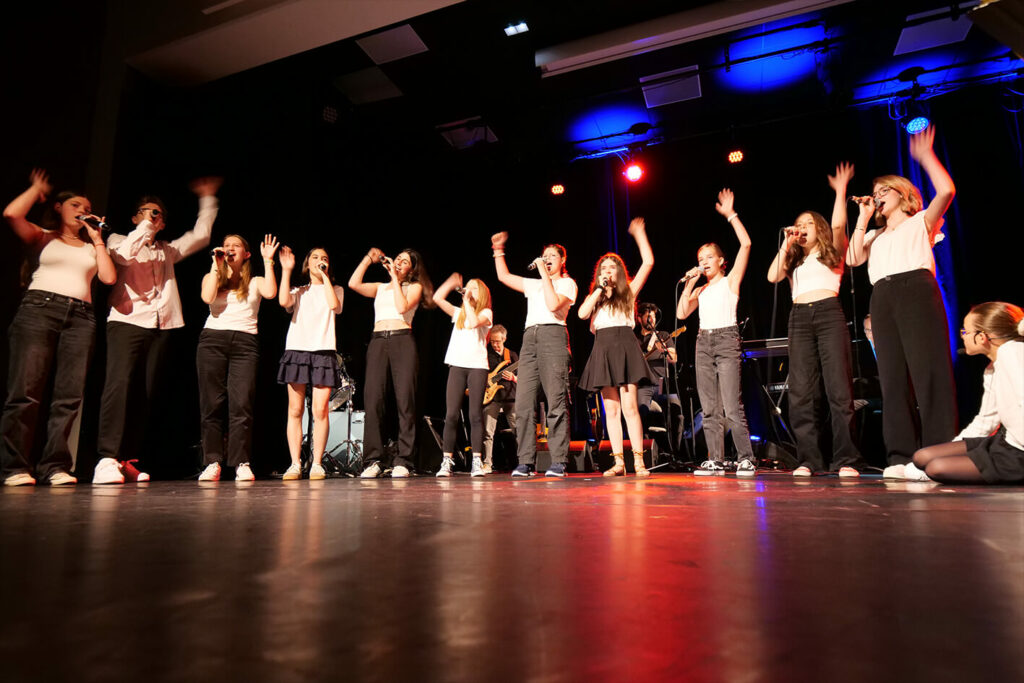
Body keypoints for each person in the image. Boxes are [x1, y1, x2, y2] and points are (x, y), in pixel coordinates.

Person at [93, 177, 222, 484]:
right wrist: (147, 226)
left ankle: (127, 460)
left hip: (160, 326)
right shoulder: (117, 241)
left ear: (163, 224)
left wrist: (207, 199)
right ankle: (106, 458)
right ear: (135, 218)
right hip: (126, 322)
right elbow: (125, 255)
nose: (152, 217)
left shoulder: (167, 250)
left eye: (157, 214)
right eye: (146, 212)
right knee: (119, 388)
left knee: (144, 393)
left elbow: (201, 235)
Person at [846, 126, 957, 479]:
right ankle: (900, 457)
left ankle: (937, 455)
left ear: (903, 193)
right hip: (883, 295)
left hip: (916, 289)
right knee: (892, 378)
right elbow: (851, 258)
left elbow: (947, 190)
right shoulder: (875, 235)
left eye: (884, 191)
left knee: (929, 372)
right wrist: (862, 219)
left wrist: (926, 157)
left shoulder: (921, 222)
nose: (877, 196)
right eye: (874, 192)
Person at [2, 168, 116, 486]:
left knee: (68, 396)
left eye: (87, 208)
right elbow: (11, 213)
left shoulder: (92, 246)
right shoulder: (43, 236)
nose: (83, 211)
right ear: (59, 208)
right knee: (25, 393)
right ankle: (14, 468)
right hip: (39, 310)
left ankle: (54, 466)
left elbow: (108, 278)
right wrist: (36, 189)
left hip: (81, 317)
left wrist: (97, 239)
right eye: (76, 206)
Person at [766, 163, 865, 477]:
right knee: (802, 391)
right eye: (798, 223)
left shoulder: (831, 251)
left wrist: (840, 192)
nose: (802, 227)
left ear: (817, 228)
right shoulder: (794, 258)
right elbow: (772, 276)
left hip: (827, 313)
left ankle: (847, 459)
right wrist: (787, 242)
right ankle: (809, 459)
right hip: (799, 317)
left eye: (808, 223)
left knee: (838, 388)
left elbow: (838, 226)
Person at [676, 189, 755, 477]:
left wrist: (731, 215)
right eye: (701, 257)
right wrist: (690, 282)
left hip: (726, 338)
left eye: (710, 257)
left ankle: (746, 457)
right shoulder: (701, 288)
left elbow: (746, 244)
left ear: (722, 261)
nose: (705, 261)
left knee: (731, 405)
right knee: (709, 407)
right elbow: (682, 313)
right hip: (703, 342)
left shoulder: (730, 280)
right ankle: (717, 459)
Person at [491, 233, 577, 477]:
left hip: (553, 336)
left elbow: (552, 305)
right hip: (530, 338)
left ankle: (559, 460)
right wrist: (498, 250)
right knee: (524, 403)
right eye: (544, 256)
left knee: (556, 400)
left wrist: (543, 273)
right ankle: (525, 461)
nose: (547, 259)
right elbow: (503, 276)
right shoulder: (535, 283)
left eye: (552, 256)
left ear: (562, 261)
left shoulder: (567, 283)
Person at [195, 234, 279, 482]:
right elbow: (207, 297)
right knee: (211, 403)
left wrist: (268, 261)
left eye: (236, 245)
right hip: (212, 340)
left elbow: (272, 293)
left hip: (245, 343)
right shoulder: (211, 276)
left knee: (241, 403)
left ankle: (241, 461)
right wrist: (216, 265)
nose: (230, 248)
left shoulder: (256, 281)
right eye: (226, 245)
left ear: (246, 253)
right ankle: (212, 461)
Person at [577, 218, 656, 477]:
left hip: (624, 347)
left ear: (619, 272)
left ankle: (639, 462)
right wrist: (598, 291)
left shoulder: (629, 293)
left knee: (630, 407)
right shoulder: (596, 299)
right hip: (603, 349)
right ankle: (619, 462)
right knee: (610, 409)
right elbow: (581, 314)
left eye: (612, 268)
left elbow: (648, 263)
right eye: (604, 268)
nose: (608, 272)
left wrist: (639, 234)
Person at [911, 303, 1023, 483]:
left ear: (982, 337)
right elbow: (986, 420)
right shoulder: (992, 367)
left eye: (966, 332)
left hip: (1018, 452)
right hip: (1004, 442)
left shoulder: (1012, 352)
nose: (962, 337)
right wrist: (956, 446)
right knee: (921, 457)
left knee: (935, 468)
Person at [349, 248, 433, 478]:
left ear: (411, 269)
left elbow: (402, 307)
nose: (398, 263)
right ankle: (372, 461)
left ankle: (403, 460)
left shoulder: (414, 287)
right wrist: (368, 259)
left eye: (404, 262)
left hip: (402, 340)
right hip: (378, 341)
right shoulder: (380, 287)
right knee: (373, 398)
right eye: (397, 259)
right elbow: (353, 283)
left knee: (405, 400)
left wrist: (395, 279)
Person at [277, 246, 344, 480]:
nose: (320, 260)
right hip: (297, 350)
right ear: (307, 264)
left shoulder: (336, 289)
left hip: (323, 352)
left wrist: (324, 276)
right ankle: (295, 463)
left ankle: (316, 463)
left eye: (324, 258)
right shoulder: (299, 290)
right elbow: (283, 301)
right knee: (295, 410)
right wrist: (286, 270)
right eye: (315, 257)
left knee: (320, 410)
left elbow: (335, 306)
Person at [432, 274, 493, 477]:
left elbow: (474, 322)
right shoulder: (459, 313)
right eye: (467, 288)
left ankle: (477, 460)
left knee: (475, 414)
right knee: (451, 415)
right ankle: (446, 460)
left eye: (473, 288)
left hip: (477, 367)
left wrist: (467, 302)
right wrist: (450, 283)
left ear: (482, 294)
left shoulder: (486, 313)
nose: (468, 291)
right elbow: (437, 299)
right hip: (457, 365)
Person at [481, 324, 518, 474]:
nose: (495, 345)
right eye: (492, 341)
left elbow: (525, 378)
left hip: (511, 397)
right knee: (488, 432)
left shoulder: (513, 356)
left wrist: (514, 377)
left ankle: (525, 462)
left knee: (519, 431)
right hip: (492, 397)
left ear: (504, 339)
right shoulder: (485, 355)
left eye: (498, 341)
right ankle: (487, 463)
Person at [636, 302, 678, 423]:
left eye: (654, 317)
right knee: (640, 411)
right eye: (648, 317)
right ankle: (645, 441)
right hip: (643, 386)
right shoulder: (634, 338)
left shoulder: (663, 335)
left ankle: (672, 442)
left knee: (677, 414)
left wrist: (663, 350)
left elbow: (674, 358)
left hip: (662, 385)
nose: (652, 320)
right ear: (639, 318)